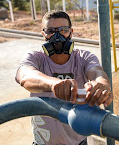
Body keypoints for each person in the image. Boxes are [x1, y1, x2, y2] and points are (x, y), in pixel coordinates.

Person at [15, 10, 113, 145]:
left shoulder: (84, 57)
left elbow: (97, 72)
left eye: (63, 30)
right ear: (43, 33)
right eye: (51, 31)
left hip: (78, 141)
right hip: (43, 141)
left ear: (71, 32)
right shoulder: (35, 57)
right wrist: (53, 84)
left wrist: (102, 84)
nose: (57, 36)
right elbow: (25, 75)